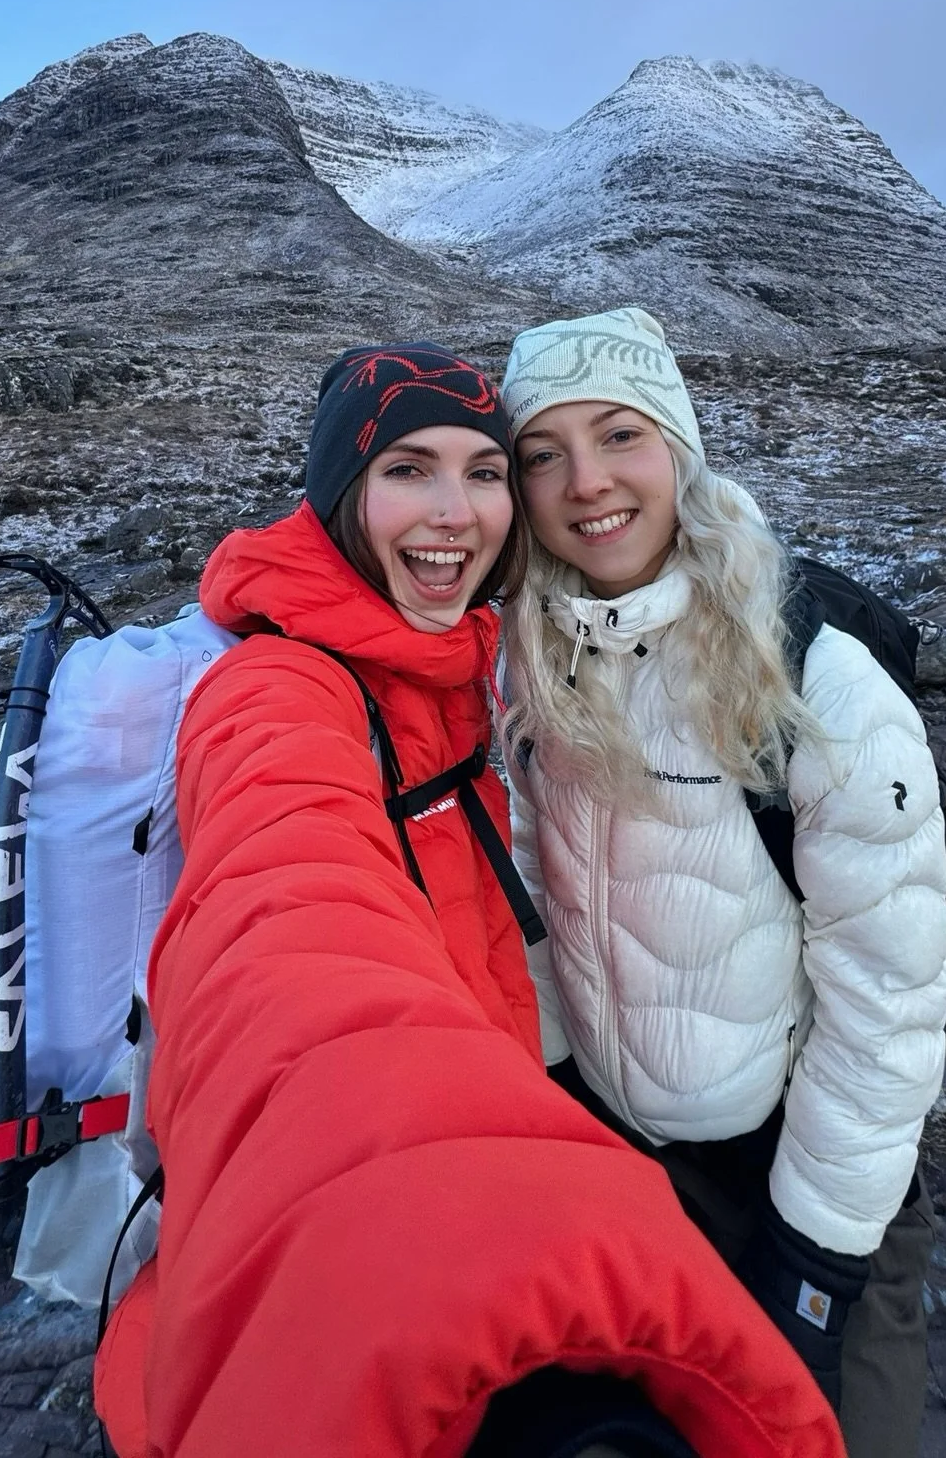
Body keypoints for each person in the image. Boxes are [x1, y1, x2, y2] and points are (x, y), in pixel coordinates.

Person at [93, 342, 842, 1458]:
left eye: (485, 472)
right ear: (341, 494)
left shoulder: (444, 664)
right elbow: (291, 918)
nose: (456, 513)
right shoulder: (278, 689)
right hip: (394, 1220)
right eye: (408, 469)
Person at [499, 308, 946, 1458]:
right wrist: (556, 1089)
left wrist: (817, 1256)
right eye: (543, 453)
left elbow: (887, 999)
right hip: (630, 1160)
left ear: (680, 448)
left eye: (620, 435)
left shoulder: (815, 676)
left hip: (804, 1174)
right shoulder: (530, 657)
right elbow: (536, 895)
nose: (586, 483)